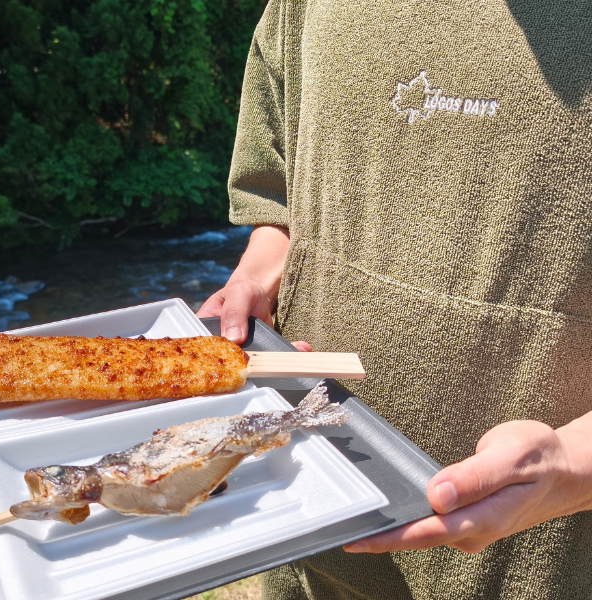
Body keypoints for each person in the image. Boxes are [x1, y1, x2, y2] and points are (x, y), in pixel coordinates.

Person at [197, 1, 592, 598]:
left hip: (536, 572)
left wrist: (568, 468)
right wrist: (262, 266)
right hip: (299, 543)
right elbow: (279, 185)